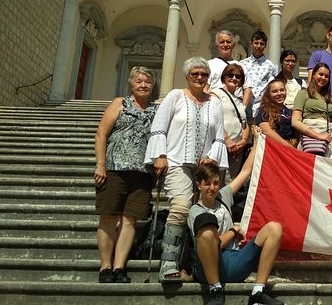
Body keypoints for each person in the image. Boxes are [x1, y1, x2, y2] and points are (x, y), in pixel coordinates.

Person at [145, 57, 229, 283]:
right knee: (182, 207)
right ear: (187, 76)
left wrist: (211, 157)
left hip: (205, 167)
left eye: (203, 74)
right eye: (195, 74)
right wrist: (160, 155)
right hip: (176, 161)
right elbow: (159, 127)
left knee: (200, 215)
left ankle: (191, 265)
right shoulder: (175, 96)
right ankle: (169, 263)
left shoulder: (215, 102)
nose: (199, 78)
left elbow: (219, 136)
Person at [188, 142, 284, 305]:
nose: (212, 188)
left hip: (234, 262)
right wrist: (233, 231)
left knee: (275, 228)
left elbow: (245, 171)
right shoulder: (195, 211)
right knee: (207, 231)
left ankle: (257, 293)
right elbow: (214, 244)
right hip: (208, 268)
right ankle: (215, 290)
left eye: (216, 182)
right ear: (199, 186)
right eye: (207, 184)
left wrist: (258, 140)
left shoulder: (223, 196)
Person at [94, 67, 158, 283]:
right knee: (109, 216)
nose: (143, 85)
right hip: (114, 168)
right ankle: (105, 266)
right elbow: (102, 133)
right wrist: (100, 164)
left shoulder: (155, 110)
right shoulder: (120, 103)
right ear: (131, 83)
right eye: (139, 81)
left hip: (142, 172)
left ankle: (120, 266)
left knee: (130, 220)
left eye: (147, 82)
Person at [293, 63, 332, 160]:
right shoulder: (303, 94)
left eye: (326, 76)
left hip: (328, 141)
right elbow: (295, 121)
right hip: (309, 140)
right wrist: (318, 136)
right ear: (314, 74)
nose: (323, 78)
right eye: (321, 74)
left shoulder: (330, 100)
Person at [211, 63, 250, 184]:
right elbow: (213, 119)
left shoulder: (239, 100)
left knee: (229, 184)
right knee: (215, 181)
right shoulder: (216, 94)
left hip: (237, 149)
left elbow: (245, 123)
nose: (234, 78)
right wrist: (226, 140)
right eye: (231, 75)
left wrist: (243, 140)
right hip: (221, 146)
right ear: (224, 77)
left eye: (238, 76)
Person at [240, 30, 278, 118]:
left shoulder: (272, 66)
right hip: (245, 107)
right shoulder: (242, 64)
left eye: (261, 44)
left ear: (265, 45)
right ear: (251, 43)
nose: (258, 46)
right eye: (256, 43)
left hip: (263, 108)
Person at [256, 79, 298, 148]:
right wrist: (289, 147)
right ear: (268, 94)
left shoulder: (290, 112)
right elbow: (267, 131)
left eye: (282, 90)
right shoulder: (264, 110)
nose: (279, 93)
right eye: (274, 91)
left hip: (290, 150)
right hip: (273, 149)